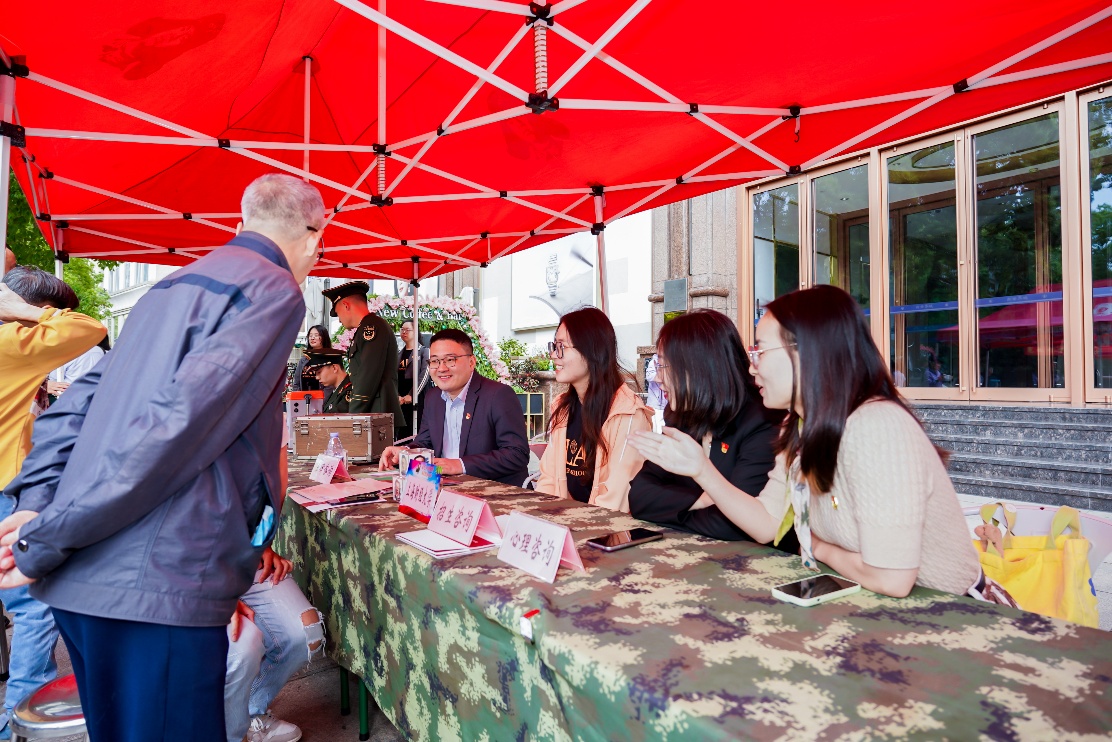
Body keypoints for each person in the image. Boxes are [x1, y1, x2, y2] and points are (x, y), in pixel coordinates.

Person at [0, 173, 324, 742]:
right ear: (316, 237)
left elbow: (75, 407)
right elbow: (177, 426)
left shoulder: (171, 287)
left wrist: (38, 503)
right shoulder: (274, 288)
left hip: (92, 583)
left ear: (241, 222)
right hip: (159, 583)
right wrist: (46, 535)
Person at [629, 286, 983, 599]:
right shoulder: (798, 425)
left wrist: (815, 545)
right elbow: (766, 524)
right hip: (862, 602)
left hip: (952, 614)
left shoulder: (876, 425)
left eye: (761, 351)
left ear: (806, 354)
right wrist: (701, 470)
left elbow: (891, 579)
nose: (751, 367)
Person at [0, 268, 105, 740]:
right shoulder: (14, 343)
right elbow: (90, 328)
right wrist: (25, 312)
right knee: (33, 605)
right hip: (6, 489)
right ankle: (16, 724)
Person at [626, 310, 797, 548]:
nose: (658, 378)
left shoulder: (763, 420)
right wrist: (700, 500)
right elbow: (639, 496)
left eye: (664, 365)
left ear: (699, 367)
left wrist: (675, 508)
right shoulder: (681, 416)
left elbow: (736, 525)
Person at [224, 421, 323, 742]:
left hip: (245, 555)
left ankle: (251, 711)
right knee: (243, 646)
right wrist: (217, 590)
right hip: (193, 567)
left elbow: (273, 488)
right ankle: (223, 728)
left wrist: (261, 543)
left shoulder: (269, 414)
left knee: (306, 630)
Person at [379, 329, 529, 486]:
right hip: (443, 484)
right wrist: (406, 451)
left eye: (450, 360)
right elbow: (425, 442)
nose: (441, 368)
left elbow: (517, 454)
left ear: (471, 362)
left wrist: (458, 465)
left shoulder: (498, 395)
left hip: (494, 490)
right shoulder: (433, 397)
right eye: (435, 361)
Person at [535, 307, 650, 511]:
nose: (553, 355)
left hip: (606, 528)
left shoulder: (628, 414)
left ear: (592, 352)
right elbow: (549, 481)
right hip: (566, 523)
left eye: (562, 347)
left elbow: (615, 498)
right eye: (554, 346)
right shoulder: (562, 408)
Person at [322, 281, 405, 429]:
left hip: (377, 413)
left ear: (346, 305)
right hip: (374, 413)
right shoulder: (366, 328)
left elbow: (367, 376)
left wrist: (354, 415)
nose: (339, 319)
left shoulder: (371, 327)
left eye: (338, 313)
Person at [397, 320, 430, 440]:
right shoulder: (399, 354)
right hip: (401, 397)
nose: (404, 332)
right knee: (403, 432)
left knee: (417, 429)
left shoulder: (424, 351)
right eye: (402, 329)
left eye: (407, 330)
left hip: (418, 396)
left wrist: (412, 395)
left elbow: (424, 375)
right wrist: (397, 395)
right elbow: (394, 377)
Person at [304, 348, 351, 413]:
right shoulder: (337, 390)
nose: (317, 377)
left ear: (334, 368)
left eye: (319, 372)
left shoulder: (350, 390)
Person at [291, 324, 332, 398]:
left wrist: (321, 401)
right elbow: (296, 383)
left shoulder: (330, 358)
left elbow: (330, 386)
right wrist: (299, 399)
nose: (312, 338)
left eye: (316, 335)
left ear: (324, 337)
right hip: (304, 400)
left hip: (323, 401)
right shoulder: (304, 359)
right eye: (310, 335)